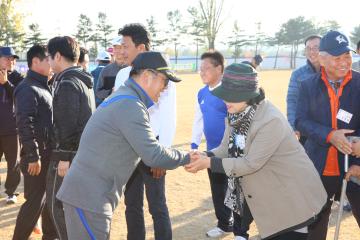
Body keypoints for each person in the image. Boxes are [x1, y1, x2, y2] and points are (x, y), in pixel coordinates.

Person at [185, 63, 327, 240]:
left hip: (293, 199)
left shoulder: (270, 120)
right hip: (271, 195)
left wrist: (208, 163)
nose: (225, 101)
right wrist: (206, 155)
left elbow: (251, 163)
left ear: (248, 95)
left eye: (230, 96)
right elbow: (225, 148)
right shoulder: (236, 112)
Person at [57, 51, 190, 240]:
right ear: (147, 77)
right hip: (88, 199)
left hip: (90, 197)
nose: (165, 88)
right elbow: (153, 155)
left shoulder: (127, 98)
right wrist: (189, 156)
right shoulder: (130, 105)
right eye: (164, 81)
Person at [114, 23, 177, 240]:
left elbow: (169, 117)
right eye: (120, 46)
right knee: (132, 205)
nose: (121, 50)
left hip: (153, 148)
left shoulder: (162, 74)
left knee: (157, 205)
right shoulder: (122, 74)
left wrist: (163, 155)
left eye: (125, 46)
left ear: (140, 48)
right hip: (128, 149)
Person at [295, 30, 360, 240]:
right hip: (319, 168)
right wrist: (330, 135)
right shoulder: (307, 86)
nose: (344, 62)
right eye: (337, 58)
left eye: (347, 56)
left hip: (355, 167)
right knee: (315, 228)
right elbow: (301, 121)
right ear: (322, 59)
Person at [46, 36, 96, 239]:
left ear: (58, 56)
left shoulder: (68, 82)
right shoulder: (81, 79)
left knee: (57, 206)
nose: (48, 61)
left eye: (49, 56)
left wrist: (64, 158)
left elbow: (67, 124)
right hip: (81, 154)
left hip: (68, 156)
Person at [13, 44, 58, 240]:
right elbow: (25, 124)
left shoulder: (45, 85)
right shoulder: (27, 88)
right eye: (48, 59)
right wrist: (33, 155)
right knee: (34, 204)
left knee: (50, 201)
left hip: (48, 155)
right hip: (36, 158)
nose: (52, 63)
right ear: (35, 62)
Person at [190, 51, 236, 238]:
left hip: (232, 151)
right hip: (212, 152)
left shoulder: (229, 91)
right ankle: (225, 224)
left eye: (206, 69)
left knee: (237, 189)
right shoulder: (201, 93)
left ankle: (242, 228)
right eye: (200, 69)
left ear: (219, 68)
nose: (202, 73)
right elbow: (198, 119)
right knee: (218, 189)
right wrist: (194, 144)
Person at [287, 35, 321, 144]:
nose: (312, 52)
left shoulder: (332, 72)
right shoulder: (298, 74)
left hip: (328, 129)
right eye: (308, 48)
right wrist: (293, 125)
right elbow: (292, 101)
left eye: (316, 48)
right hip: (304, 130)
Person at [0, 46, 22, 204]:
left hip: (12, 129)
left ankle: (11, 192)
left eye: (13, 58)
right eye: (8, 58)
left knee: (13, 162)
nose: (11, 61)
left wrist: (6, 83)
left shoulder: (18, 77)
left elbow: (20, 98)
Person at [95, 36, 125, 101]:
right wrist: (111, 92)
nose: (117, 51)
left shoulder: (132, 69)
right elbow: (98, 92)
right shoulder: (106, 70)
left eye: (120, 47)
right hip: (111, 108)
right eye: (115, 48)